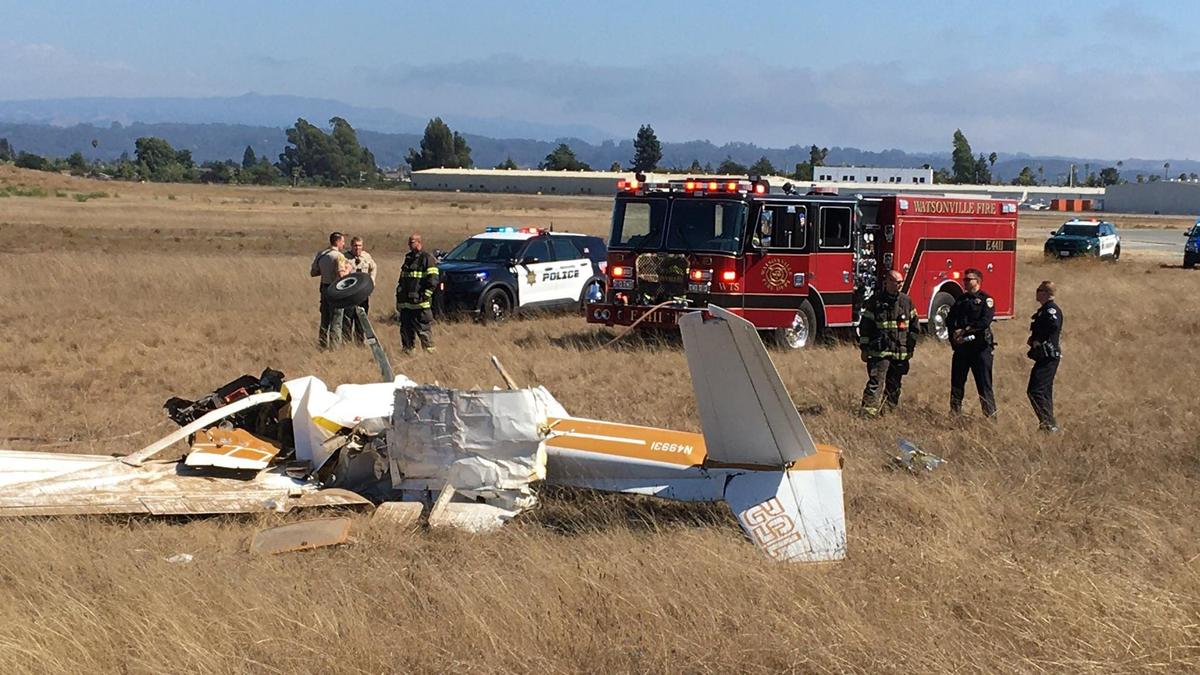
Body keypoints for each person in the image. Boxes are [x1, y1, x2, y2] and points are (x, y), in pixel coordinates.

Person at [857, 270, 920, 417]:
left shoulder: (906, 302)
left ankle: (888, 413)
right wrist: (864, 348)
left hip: (900, 353)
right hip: (880, 352)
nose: (899, 285)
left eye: (900, 283)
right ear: (887, 282)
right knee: (875, 383)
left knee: (895, 386)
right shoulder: (875, 301)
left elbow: (915, 328)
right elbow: (865, 327)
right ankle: (867, 414)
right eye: (896, 282)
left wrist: (910, 348)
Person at [947, 267, 997, 417]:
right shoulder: (961, 300)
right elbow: (950, 319)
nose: (965, 282)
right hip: (962, 348)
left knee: (984, 384)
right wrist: (954, 334)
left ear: (978, 281)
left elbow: (984, 321)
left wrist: (965, 330)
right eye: (964, 279)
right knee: (957, 384)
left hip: (980, 348)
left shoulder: (985, 300)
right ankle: (955, 413)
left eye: (969, 279)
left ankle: (990, 416)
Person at [1026, 280, 1063, 432]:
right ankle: (1048, 424)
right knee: (1044, 390)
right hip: (1042, 357)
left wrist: (1039, 340)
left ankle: (1048, 422)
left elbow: (1053, 325)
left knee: (1036, 390)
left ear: (1047, 293)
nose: (1037, 293)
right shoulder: (1043, 310)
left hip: (1048, 356)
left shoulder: (1051, 310)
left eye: (1039, 290)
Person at [395, 233, 439, 353]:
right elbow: (402, 280)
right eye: (409, 242)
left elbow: (433, 280)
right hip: (406, 304)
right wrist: (399, 298)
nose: (409, 244)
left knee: (424, 332)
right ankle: (408, 353)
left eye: (412, 242)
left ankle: (430, 356)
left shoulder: (427, 258)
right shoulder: (408, 258)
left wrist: (425, 296)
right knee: (406, 332)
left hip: (421, 305)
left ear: (419, 242)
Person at [310, 231, 348, 349]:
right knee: (336, 320)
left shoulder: (321, 254)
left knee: (324, 319)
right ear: (337, 242)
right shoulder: (339, 256)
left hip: (324, 288)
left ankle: (322, 345)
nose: (343, 244)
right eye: (342, 241)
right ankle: (334, 347)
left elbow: (314, 272)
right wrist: (348, 268)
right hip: (336, 289)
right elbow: (342, 275)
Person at [344, 236, 378, 343]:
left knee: (361, 319)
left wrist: (372, 280)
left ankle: (360, 342)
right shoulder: (345, 257)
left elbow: (373, 267)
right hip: (349, 294)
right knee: (348, 319)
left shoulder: (366, 257)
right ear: (351, 246)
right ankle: (347, 342)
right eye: (355, 246)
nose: (357, 248)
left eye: (359, 246)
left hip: (362, 294)